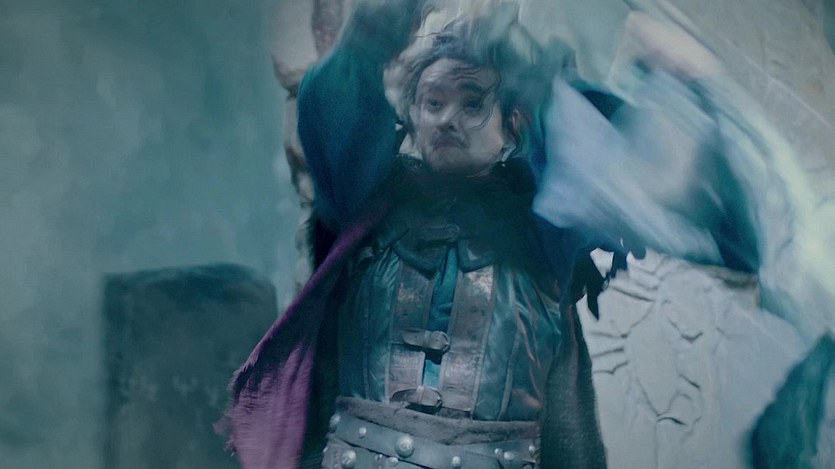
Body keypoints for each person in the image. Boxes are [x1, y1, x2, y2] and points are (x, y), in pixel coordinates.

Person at [222, 2, 610, 468]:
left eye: (472, 102)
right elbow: (332, 100)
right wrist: (385, 21)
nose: (447, 119)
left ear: (511, 123)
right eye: (433, 102)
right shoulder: (367, 203)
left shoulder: (544, 225)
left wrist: (523, 61)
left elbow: (585, 150)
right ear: (412, 118)